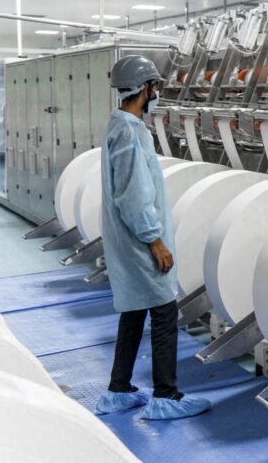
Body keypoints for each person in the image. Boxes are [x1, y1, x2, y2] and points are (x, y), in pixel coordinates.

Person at [93, 55, 211, 420]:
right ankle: (165, 396)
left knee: (133, 312)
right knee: (163, 313)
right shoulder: (131, 132)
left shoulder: (119, 125)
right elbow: (134, 195)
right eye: (156, 87)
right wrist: (155, 240)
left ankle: (119, 390)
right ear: (146, 88)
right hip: (140, 242)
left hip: (128, 240)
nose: (157, 94)